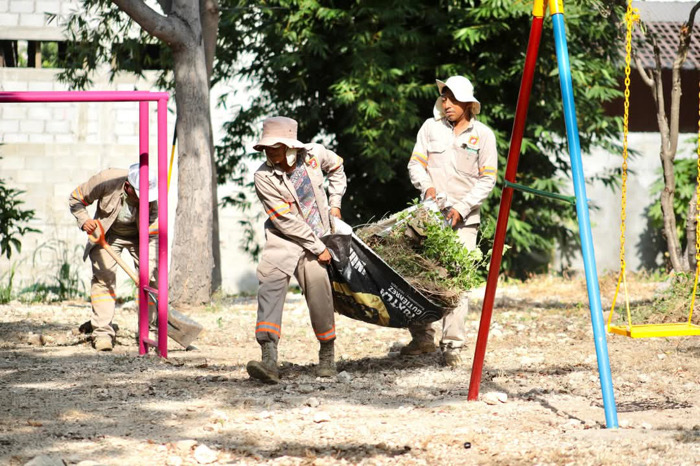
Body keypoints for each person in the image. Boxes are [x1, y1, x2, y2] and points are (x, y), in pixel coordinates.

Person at [405, 75, 498, 367]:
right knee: (418, 277)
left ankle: (452, 347)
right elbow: (415, 163)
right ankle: (422, 337)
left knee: (457, 281)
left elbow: (488, 179)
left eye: (453, 98)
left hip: (464, 221)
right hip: (429, 217)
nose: (447, 104)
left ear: (468, 104)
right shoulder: (430, 129)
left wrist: (462, 207)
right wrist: (427, 187)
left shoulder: (483, 135)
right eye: (444, 98)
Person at [247, 116, 347, 384]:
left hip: (317, 238)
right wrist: (317, 246)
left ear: (289, 146)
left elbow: (337, 167)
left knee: (319, 290)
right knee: (269, 284)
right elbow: (285, 221)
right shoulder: (263, 176)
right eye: (265, 148)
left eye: (274, 147)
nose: (269, 152)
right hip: (284, 239)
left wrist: (334, 204)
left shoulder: (315, 154)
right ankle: (269, 359)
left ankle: (327, 356)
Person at [69, 164, 158, 351]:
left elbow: (152, 239)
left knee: (151, 280)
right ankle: (102, 333)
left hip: (140, 238)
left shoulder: (153, 200)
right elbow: (76, 198)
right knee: (104, 278)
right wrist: (85, 221)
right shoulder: (107, 180)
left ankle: (149, 330)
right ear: (127, 186)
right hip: (107, 235)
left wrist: (146, 272)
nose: (145, 201)